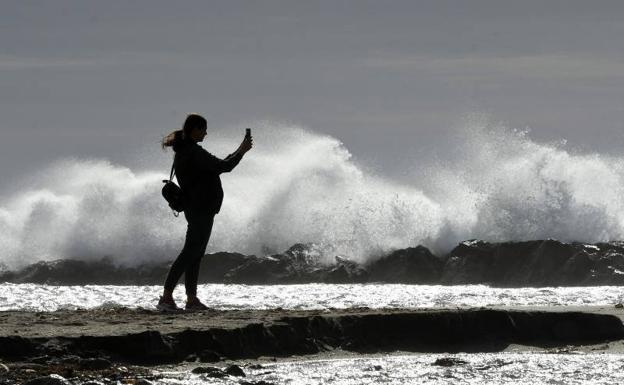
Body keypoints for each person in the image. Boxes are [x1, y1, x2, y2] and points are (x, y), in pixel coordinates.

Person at [158, 113, 253, 311]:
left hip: (199, 207)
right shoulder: (193, 151)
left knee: (195, 253)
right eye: (203, 129)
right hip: (200, 208)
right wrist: (242, 151)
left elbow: (217, 166)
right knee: (190, 252)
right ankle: (167, 297)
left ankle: (191, 299)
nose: (206, 133)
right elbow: (223, 166)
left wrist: (240, 150)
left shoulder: (185, 151)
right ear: (194, 130)